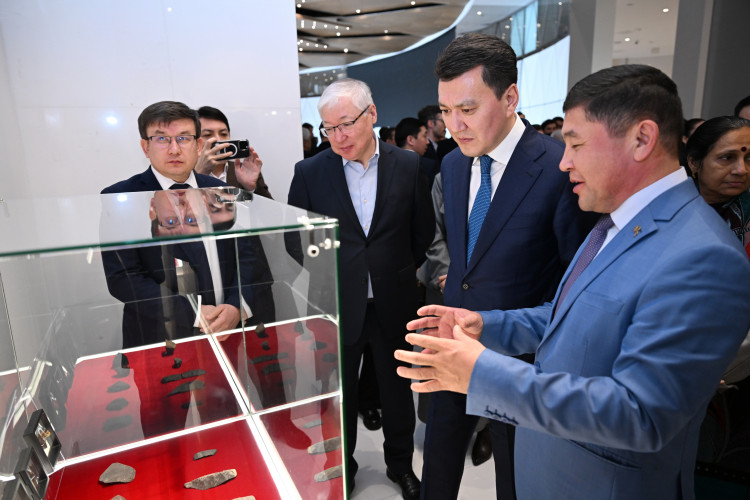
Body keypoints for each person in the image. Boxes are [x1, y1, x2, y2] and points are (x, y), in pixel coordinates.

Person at [395, 64, 750, 500]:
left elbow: (640, 414)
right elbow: (569, 316)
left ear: (642, 139)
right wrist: (485, 326)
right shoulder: (614, 223)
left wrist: (481, 373)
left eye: (576, 144)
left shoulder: (703, 256)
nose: (564, 163)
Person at [418, 33, 593, 500]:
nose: (454, 125)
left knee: (515, 477)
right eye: (445, 111)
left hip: (523, 358)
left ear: (510, 97)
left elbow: (576, 278)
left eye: (468, 109)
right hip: (454, 336)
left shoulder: (558, 167)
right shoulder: (453, 165)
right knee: (438, 463)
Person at [287, 78, 434, 499]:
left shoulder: (408, 165)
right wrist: (337, 272)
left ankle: (400, 465)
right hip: (336, 303)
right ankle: (343, 467)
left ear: (372, 114)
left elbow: (422, 232)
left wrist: (392, 269)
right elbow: (296, 241)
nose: (338, 137)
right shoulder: (310, 171)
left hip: (394, 300)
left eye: (346, 124)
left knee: (398, 390)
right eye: (329, 128)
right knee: (339, 395)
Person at [102, 101, 273, 348]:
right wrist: (193, 312)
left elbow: (248, 255)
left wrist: (236, 307)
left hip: (228, 331)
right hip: (161, 338)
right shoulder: (121, 198)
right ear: (145, 147)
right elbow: (122, 278)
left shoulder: (222, 190)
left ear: (198, 145)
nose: (174, 149)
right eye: (162, 139)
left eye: (183, 138)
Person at [195, 106, 272, 198]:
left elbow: (271, 206)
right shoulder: (185, 173)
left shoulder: (245, 170)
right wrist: (200, 174)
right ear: (196, 141)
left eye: (223, 134)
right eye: (207, 134)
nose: (218, 139)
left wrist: (250, 189)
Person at [395, 117, 439, 188]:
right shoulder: (429, 166)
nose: (428, 142)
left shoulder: (387, 165)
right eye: (424, 136)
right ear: (410, 140)